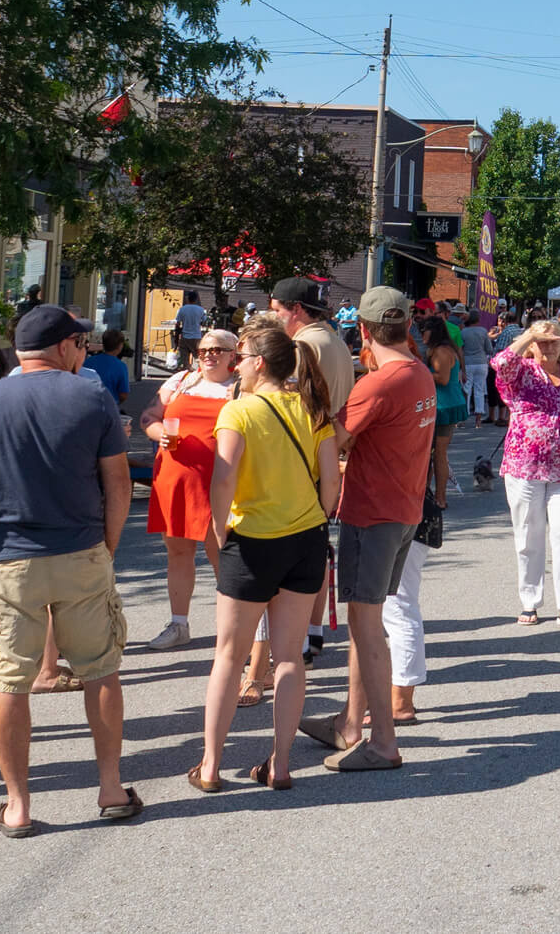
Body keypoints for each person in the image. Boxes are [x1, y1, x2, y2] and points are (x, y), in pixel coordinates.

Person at [0, 304, 140, 833]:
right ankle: (111, 788)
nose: (83, 353)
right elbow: (119, 484)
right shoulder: (92, 396)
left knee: (10, 682)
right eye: (80, 344)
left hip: (9, 562)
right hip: (80, 553)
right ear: (63, 346)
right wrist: (108, 547)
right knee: (100, 669)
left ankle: (18, 805)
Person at [190, 324, 338, 793]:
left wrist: (219, 529)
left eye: (242, 356)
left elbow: (223, 478)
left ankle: (211, 766)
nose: (236, 364)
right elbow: (332, 486)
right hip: (305, 537)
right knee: (289, 657)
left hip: (252, 540)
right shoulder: (313, 410)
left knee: (229, 657)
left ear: (259, 363)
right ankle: (281, 763)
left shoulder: (240, 411)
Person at [297, 287, 434, 774]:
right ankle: (350, 723)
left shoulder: (378, 383)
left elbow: (334, 440)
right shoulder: (417, 373)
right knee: (365, 621)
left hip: (373, 512)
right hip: (402, 510)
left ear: (365, 331)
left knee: (366, 626)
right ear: (408, 327)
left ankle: (382, 741)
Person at [140, 329, 241, 654]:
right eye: (203, 350)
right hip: (175, 480)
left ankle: (235, 631)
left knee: (221, 558)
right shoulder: (181, 380)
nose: (209, 355)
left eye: (217, 349)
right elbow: (150, 417)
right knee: (178, 553)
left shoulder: (239, 387)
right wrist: (159, 435)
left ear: (232, 355)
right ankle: (178, 623)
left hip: (218, 483)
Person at [270, 277, 353, 663]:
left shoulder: (303, 345)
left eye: (276, 311)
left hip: (304, 455)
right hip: (327, 452)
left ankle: (299, 637)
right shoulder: (333, 338)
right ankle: (313, 631)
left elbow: (293, 402)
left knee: (293, 554)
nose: (274, 318)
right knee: (316, 550)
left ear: (296, 310)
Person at [493, 321, 560, 629]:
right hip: (525, 467)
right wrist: (528, 337)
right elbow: (500, 363)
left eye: (555, 340)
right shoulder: (520, 372)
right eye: (542, 342)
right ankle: (530, 600)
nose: (549, 346)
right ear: (531, 346)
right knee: (529, 535)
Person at [418, 314, 463, 505]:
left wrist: (419, 370)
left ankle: (439, 498)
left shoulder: (441, 351)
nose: (421, 335)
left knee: (438, 454)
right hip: (444, 404)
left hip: (443, 406)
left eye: (424, 331)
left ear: (433, 331)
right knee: (433, 453)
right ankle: (431, 496)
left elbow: (442, 378)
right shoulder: (443, 349)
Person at [83, 329, 131, 408]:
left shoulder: (88, 361)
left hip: (88, 404)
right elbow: (123, 394)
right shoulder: (121, 366)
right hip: (109, 406)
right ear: (120, 346)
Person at [174, 291, 206, 370]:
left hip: (185, 336)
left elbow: (177, 323)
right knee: (199, 357)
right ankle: (201, 372)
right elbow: (204, 321)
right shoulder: (201, 310)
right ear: (196, 299)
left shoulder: (182, 309)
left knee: (185, 358)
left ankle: (187, 371)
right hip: (196, 336)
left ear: (188, 299)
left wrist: (177, 335)